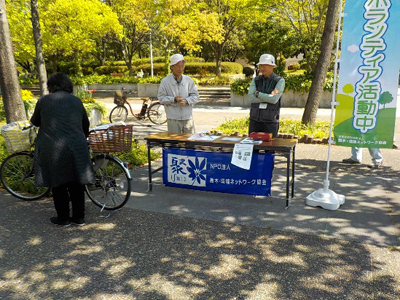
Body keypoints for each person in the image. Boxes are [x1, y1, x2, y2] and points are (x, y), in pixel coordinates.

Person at [30, 73, 95, 227]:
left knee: (58, 183)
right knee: (76, 182)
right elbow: (85, 124)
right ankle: (79, 218)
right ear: (68, 85)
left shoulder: (44, 100)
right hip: (76, 146)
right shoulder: (76, 101)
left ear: (51, 87)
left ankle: (63, 219)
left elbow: (35, 122)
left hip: (53, 147)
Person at [158, 54, 199, 134]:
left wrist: (187, 101)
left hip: (187, 118)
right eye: (177, 66)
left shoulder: (188, 80)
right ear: (172, 67)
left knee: (189, 143)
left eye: (182, 66)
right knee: (175, 143)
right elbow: (161, 98)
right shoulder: (165, 81)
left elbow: (196, 96)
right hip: (173, 118)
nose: (180, 69)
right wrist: (173, 99)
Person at [248, 54, 285, 138]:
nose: (262, 68)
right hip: (254, 120)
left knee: (270, 148)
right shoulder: (256, 80)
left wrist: (258, 94)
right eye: (261, 65)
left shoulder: (279, 81)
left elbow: (274, 99)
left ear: (272, 66)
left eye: (265, 65)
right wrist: (268, 97)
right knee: (253, 148)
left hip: (270, 121)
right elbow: (251, 98)